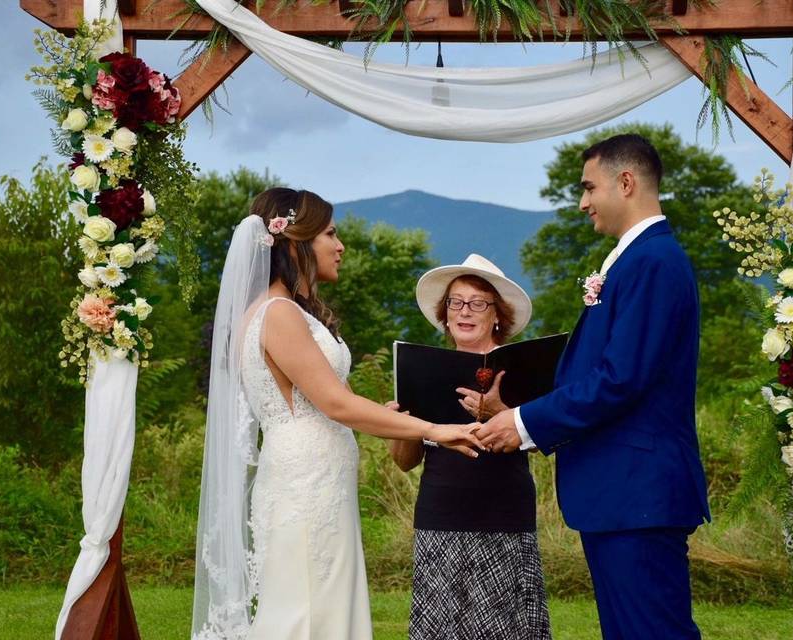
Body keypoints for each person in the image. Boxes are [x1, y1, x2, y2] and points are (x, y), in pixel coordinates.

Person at [191, 188, 483, 640]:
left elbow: (340, 402)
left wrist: (395, 416)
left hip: (317, 479)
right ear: (294, 241)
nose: (340, 245)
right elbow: (337, 404)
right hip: (305, 484)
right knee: (305, 611)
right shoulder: (279, 314)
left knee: (320, 606)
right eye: (330, 233)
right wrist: (434, 429)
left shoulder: (286, 312)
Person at [476, 134, 711, 639]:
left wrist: (521, 425)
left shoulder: (653, 262)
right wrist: (514, 405)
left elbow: (621, 379)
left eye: (588, 188)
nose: (582, 202)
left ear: (625, 183)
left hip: (637, 492)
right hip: (622, 492)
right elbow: (608, 373)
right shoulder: (636, 260)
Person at [388, 254, 551, 640]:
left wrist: (501, 412)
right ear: (444, 314)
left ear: (497, 314)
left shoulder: (522, 368)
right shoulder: (422, 369)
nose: (465, 310)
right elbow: (404, 462)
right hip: (441, 514)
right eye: (456, 302)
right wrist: (403, 424)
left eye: (478, 302)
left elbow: (545, 443)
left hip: (504, 516)